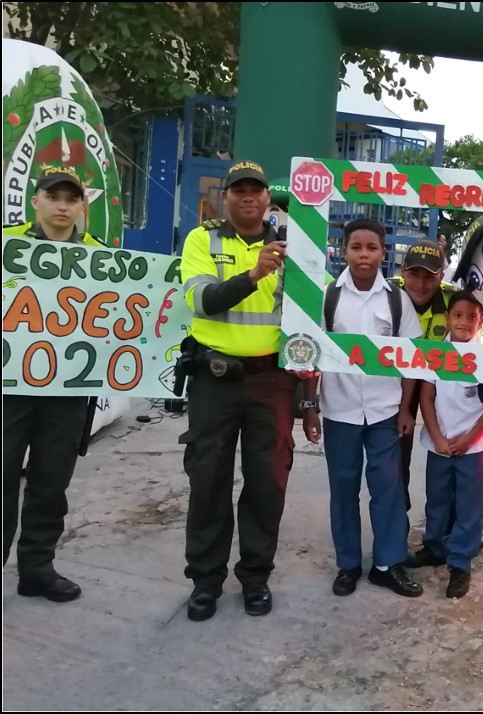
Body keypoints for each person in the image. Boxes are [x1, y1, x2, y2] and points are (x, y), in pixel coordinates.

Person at [178, 160, 298, 622]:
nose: (249, 197)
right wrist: (253, 274)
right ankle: (205, 581)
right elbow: (203, 301)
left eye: (257, 190)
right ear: (224, 198)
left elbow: (313, 312)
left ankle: (255, 576)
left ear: (268, 199)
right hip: (215, 378)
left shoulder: (294, 246)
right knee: (207, 481)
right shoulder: (202, 239)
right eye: (239, 190)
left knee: (268, 482)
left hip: (272, 381)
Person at [301, 218, 425, 598]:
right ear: (345, 251)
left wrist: (406, 410)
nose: (364, 255)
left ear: (383, 253)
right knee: (343, 487)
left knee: (388, 486)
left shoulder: (397, 300)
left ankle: (387, 564)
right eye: (356, 247)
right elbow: (309, 352)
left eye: (372, 248)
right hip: (339, 411)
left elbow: (412, 360)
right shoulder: (327, 297)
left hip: (385, 410)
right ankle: (348, 565)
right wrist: (310, 405)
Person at [3, 166, 107, 603]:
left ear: (83, 205)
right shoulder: (8, 246)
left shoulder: (103, 257)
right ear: (36, 201)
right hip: (10, 389)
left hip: (67, 391)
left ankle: (37, 569)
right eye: (53, 197)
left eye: (71, 198)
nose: (62, 206)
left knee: (51, 482)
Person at [406, 292, 483, 598]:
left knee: (469, 505)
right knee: (438, 499)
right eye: (458, 315)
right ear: (448, 317)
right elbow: (426, 397)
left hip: (475, 446)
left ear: (481, 321)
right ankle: (435, 546)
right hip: (441, 443)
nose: (464, 322)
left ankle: (460, 562)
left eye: (472, 317)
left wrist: (470, 439)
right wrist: (435, 436)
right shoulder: (437, 353)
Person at [387, 240, 458, 515]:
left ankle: (450, 526)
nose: (420, 283)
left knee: (450, 450)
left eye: (429, 276)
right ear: (402, 271)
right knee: (394, 457)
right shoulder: (387, 292)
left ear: (441, 275)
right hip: (396, 382)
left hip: (439, 386)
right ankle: (396, 521)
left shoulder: (455, 298)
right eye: (414, 274)